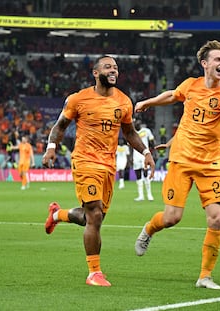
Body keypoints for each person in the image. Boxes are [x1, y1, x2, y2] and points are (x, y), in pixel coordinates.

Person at [134, 40, 220, 290]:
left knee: (216, 219)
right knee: (172, 217)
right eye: (218, 59)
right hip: (181, 161)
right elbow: (171, 95)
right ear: (205, 63)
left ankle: (205, 276)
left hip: (211, 165)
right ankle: (148, 229)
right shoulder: (191, 85)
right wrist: (148, 102)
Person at [42, 55, 155, 287]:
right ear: (95, 73)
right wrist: (51, 148)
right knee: (94, 215)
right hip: (84, 161)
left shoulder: (124, 101)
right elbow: (60, 126)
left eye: (115, 67)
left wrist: (146, 153)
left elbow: (130, 132)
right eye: (107, 67)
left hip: (108, 165)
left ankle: (57, 214)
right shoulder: (78, 99)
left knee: (91, 218)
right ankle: (94, 273)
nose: (113, 70)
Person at [132, 119, 155, 201]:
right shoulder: (132, 133)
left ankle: (149, 195)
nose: (137, 124)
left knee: (146, 174)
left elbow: (152, 141)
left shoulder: (146, 131)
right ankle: (140, 196)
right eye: (136, 123)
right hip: (136, 157)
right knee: (138, 176)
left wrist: (152, 151)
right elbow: (129, 144)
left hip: (145, 156)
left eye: (139, 123)